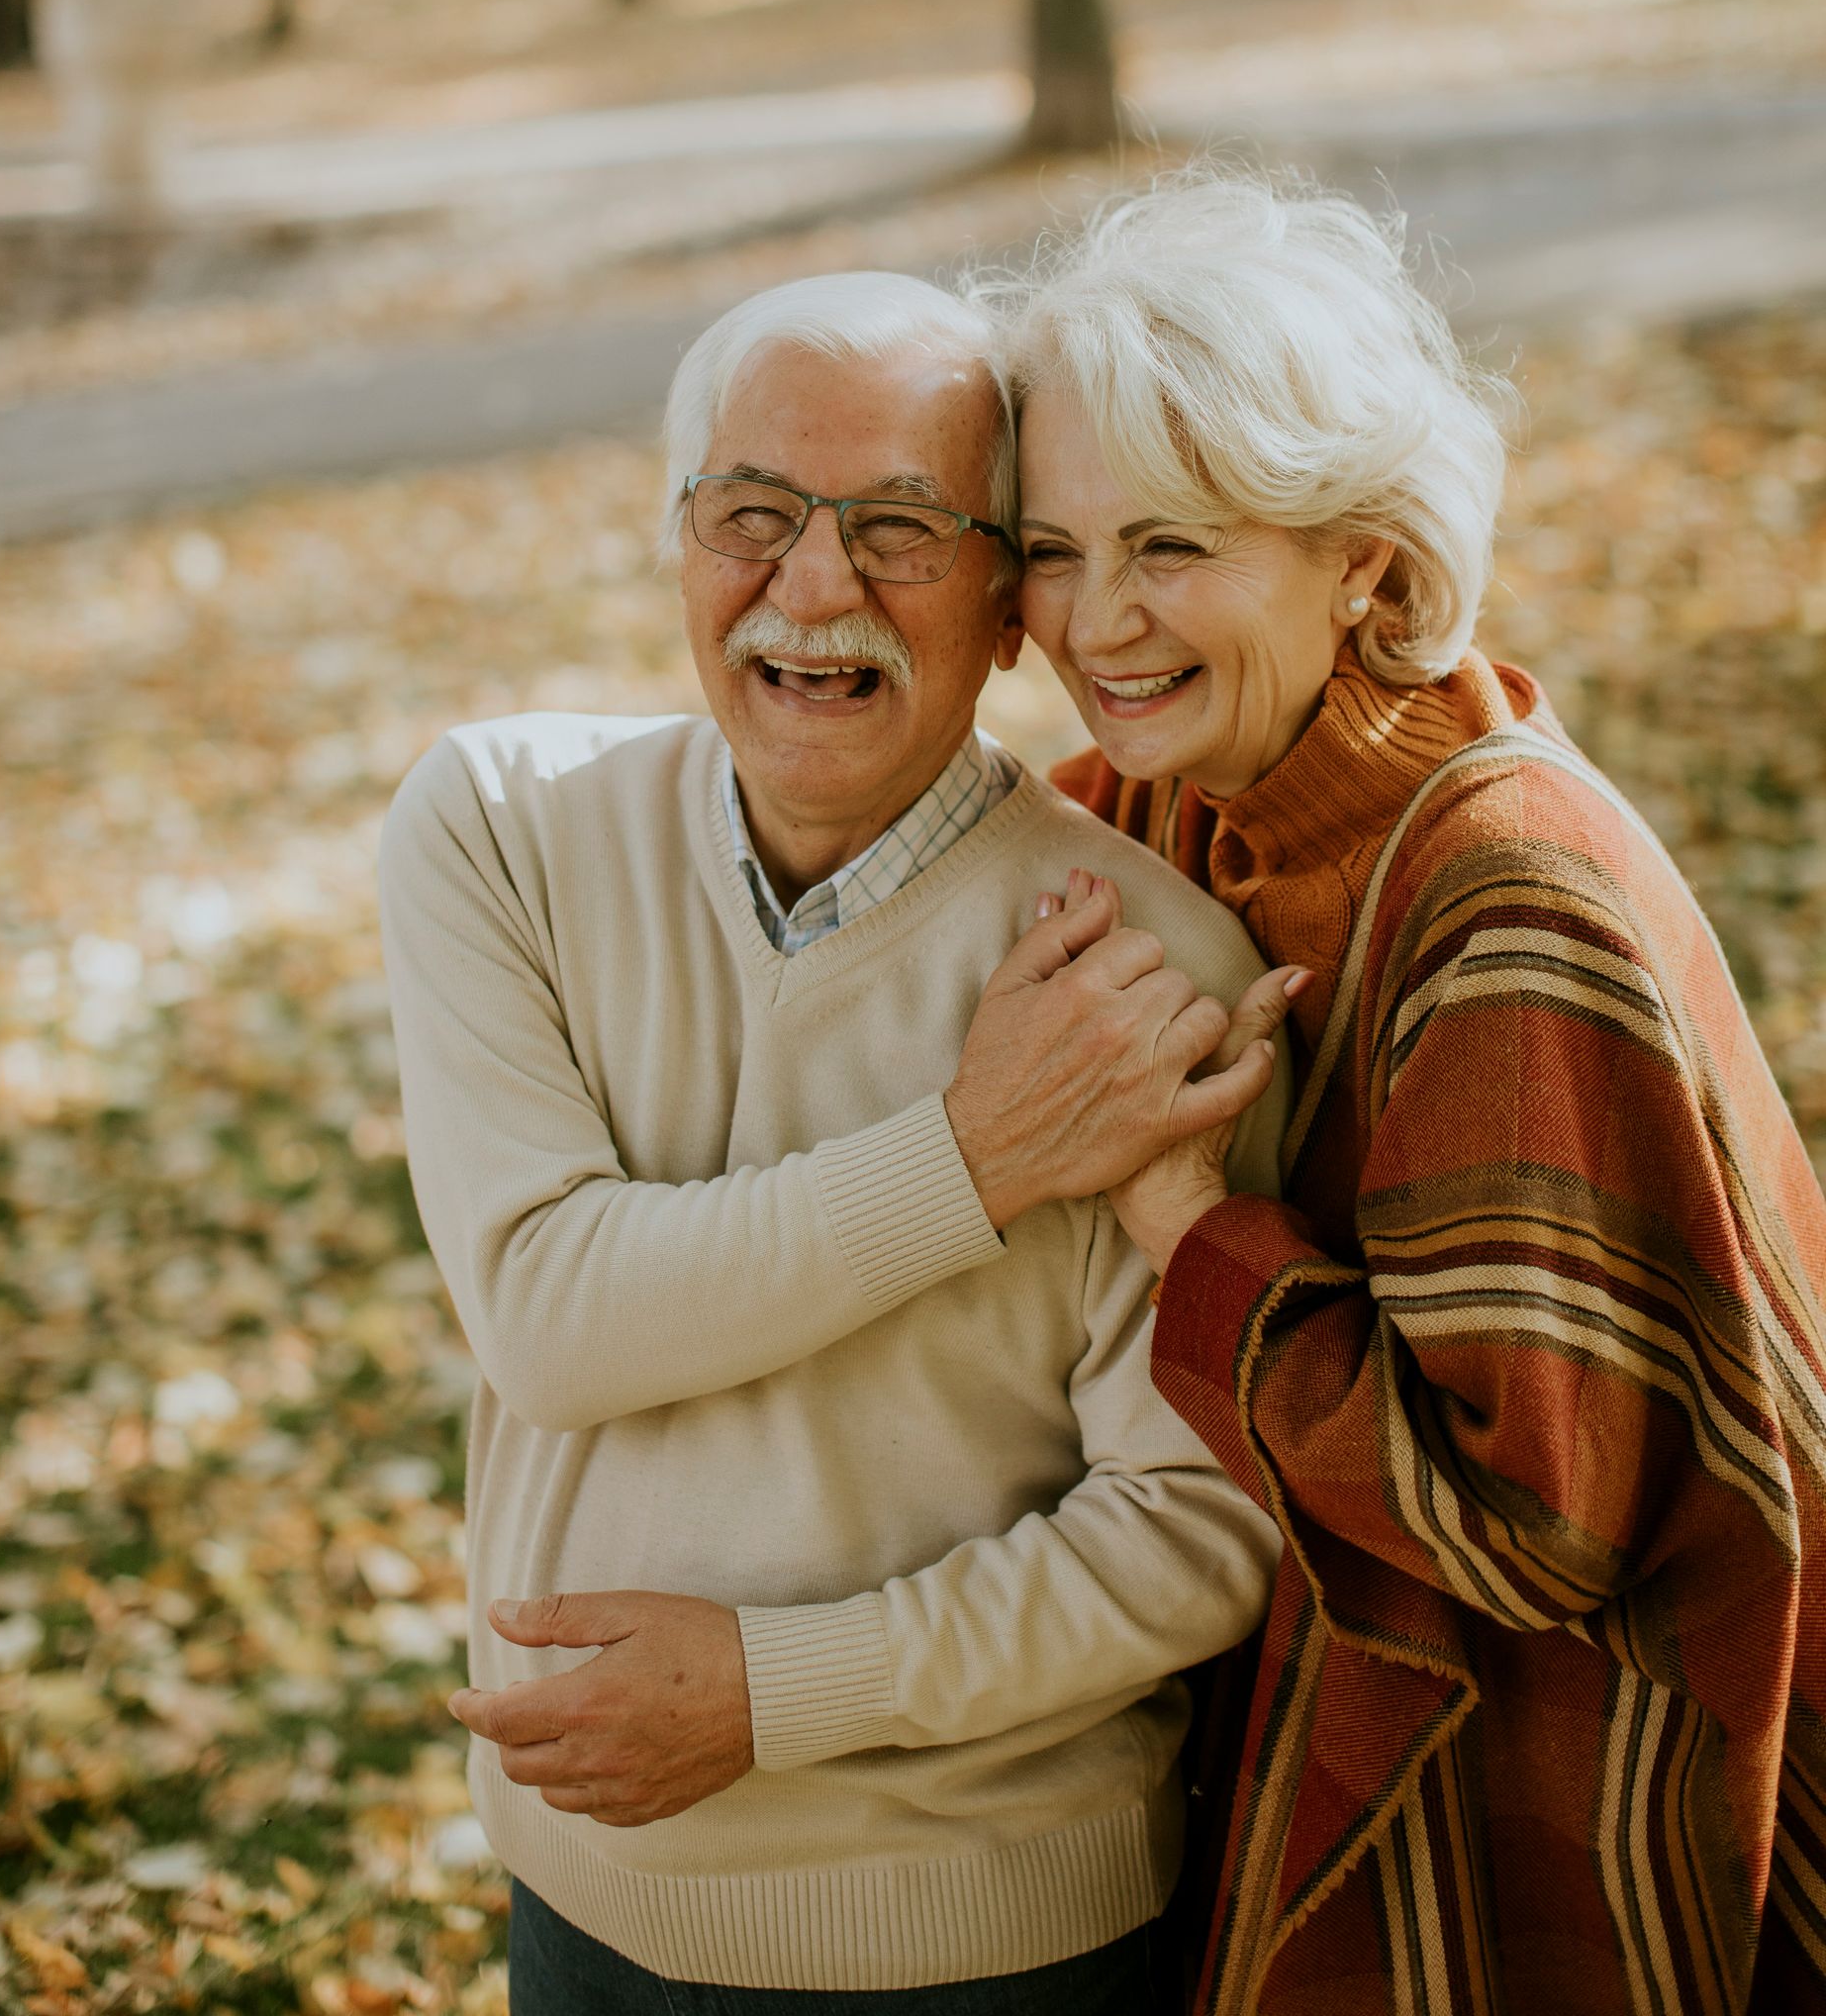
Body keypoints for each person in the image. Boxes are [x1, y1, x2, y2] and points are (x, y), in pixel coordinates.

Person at [379, 271, 1293, 2016]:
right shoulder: (501, 831)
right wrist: (969, 1157)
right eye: (755, 515)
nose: (814, 587)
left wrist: (773, 1690)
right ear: (679, 543)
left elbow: (1198, 1531)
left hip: (990, 1937)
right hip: (581, 1892)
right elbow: (551, 1322)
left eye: (899, 526)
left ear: (1010, 604)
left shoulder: (1140, 979)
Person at [997, 162, 1826, 2016]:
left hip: (1572, 1780)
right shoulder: (1177, 802)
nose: (1097, 623)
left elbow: (1537, 1527)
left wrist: (1182, 1220)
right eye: (1055, 550)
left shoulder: (1505, 898)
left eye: (1174, 546)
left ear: (1360, 556)